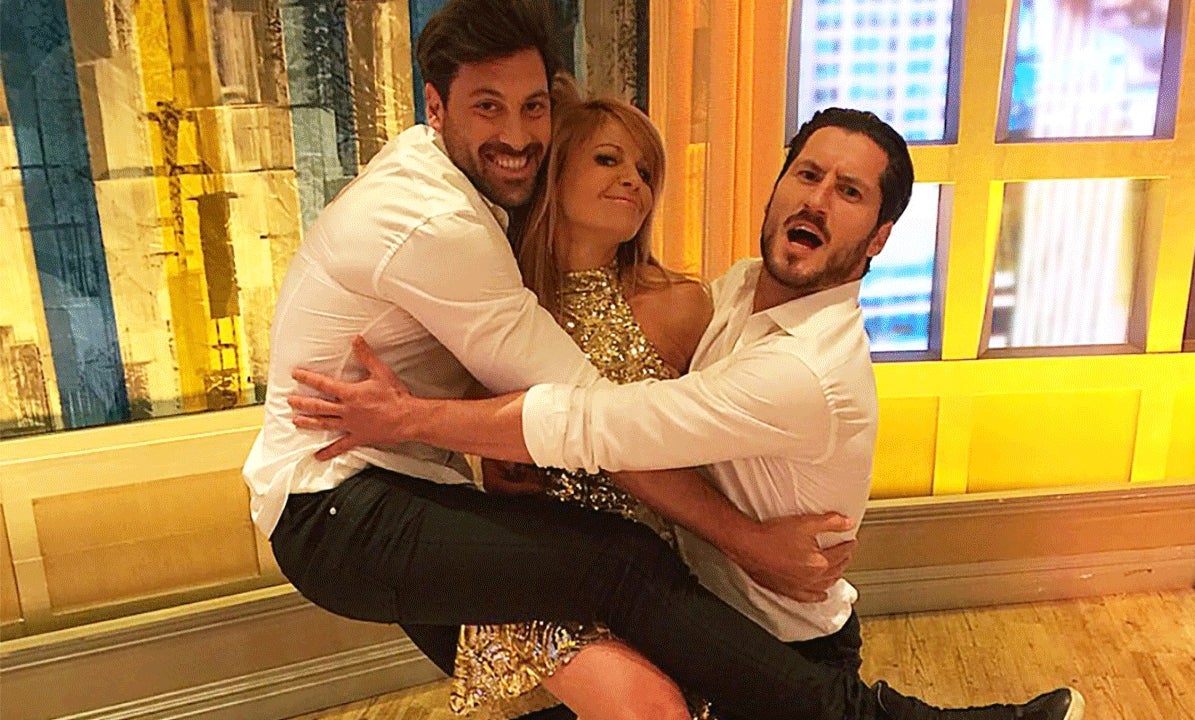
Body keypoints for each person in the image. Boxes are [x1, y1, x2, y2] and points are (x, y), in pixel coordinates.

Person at [288, 104, 1086, 720]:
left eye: (848, 193)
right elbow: (525, 411)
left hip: (764, 640)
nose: (817, 199)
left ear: (877, 239)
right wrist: (483, 446)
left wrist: (412, 418)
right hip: (645, 595)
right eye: (808, 174)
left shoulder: (783, 358)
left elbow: (601, 428)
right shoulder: (733, 290)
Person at [245, 1, 921, 719]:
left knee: (638, 651)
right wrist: (747, 541)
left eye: (533, 107)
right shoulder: (446, 226)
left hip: (427, 492)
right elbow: (583, 419)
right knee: (625, 592)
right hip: (344, 501)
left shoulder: (708, 305)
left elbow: (609, 426)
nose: (516, 135)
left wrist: (427, 424)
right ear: (435, 108)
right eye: (487, 106)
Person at [446, 92, 718, 719]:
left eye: (645, 171)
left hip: (655, 571)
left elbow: (715, 448)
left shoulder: (682, 304)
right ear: (556, 171)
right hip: (543, 571)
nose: (633, 180)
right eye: (608, 159)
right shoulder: (498, 306)